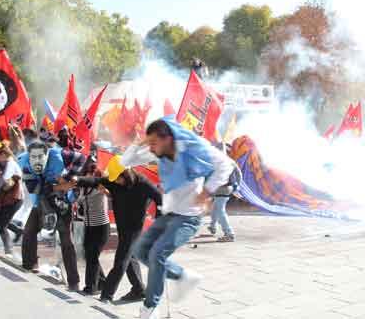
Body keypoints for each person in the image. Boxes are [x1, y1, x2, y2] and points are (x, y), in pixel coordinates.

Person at [128, 118, 234, 319]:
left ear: (167, 138)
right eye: (148, 143)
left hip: (189, 217)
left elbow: (225, 165)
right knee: (141, 251)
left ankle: (150, 308)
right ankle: (182, 276)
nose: (151, 147)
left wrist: (207, 191)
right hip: (170, 213)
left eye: (154, 142)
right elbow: (128, 161)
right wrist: (138, 144)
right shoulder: (160, 153)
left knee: (157, 253)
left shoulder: (193, 148)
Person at [59, 155, 162, 304]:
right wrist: (79, 180)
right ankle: (139, 289)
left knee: (121, 260)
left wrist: (159, 220)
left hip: (133, 228)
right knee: (129, 256)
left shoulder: (143, 184)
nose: (116, 182)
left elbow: (159, 198)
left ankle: (107, 295)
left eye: (119, 178)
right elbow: (96, 181)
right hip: (122, 225)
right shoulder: (114, 182)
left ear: (127, 174)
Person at [19, 141, 80, 290]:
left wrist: (72, 177)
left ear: (47, 155)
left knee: (66, 241)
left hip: (63, 204)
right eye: (33, 157)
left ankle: (74, 282)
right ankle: (29, 264)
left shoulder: (60, 155)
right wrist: (59, 185)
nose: (37, 161)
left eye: (41, 156)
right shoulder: (25, 163)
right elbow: (34, 188)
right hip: (42, 202)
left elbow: (80, 159)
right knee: (29, 231)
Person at [68, 157, 110, 296]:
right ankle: (102, 283)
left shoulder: (100, 186)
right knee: (90, 255)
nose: (88, 176)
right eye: (86, 172)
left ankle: (90, 287)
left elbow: (108, 193)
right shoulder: (83, 188)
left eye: (91, 173)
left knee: (92, 255)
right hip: (88, 225)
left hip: (101, 226)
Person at [0, 141, 24, 256]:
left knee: (1, 224)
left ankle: (8, 251)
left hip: (14, 199)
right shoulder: (6, 164)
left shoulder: (10, 164)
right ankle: (19, 231)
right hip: (9, 198)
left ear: (4, 154)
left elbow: (5, 179)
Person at [208, 145, 241, 243]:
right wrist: (237, 186)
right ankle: (212, 226)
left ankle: (229, 234)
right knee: (215, 208)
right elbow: (239, 174)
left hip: (222, 189)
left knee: (220, 210)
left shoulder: (216, 162)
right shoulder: (231, 161)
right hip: (226, 188)